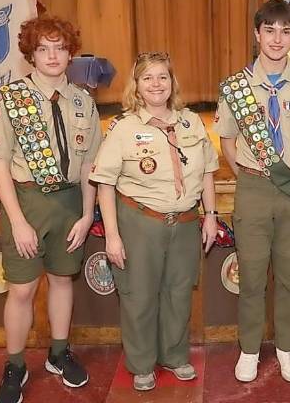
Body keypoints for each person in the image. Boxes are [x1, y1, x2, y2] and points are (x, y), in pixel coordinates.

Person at [0, 16, 102, 403]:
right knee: (21, 288)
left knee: (63, 279)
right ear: (30, 55)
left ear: (70, 53)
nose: (52, 55)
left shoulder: (84, 101)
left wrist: (86, 215)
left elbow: (88, 167)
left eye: (60, 47)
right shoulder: (9, 99)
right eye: (43, 48)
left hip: (70, 203)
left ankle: (58, 352)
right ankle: (15, 364)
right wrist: (17, 222)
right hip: (27, 202)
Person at [89, 51, 219, 391]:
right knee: (140, 295)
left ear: (172, 82)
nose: (156, 84)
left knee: (178, 293)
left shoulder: (191, 122)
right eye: (147, 78)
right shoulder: (123, 128)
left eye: (162, 76)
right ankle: (142, 362)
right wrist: (112, 237)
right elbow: (104, 183)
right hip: (141, 222)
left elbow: (207, 171)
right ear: (137, 85)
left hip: (187, 221)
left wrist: (210, 216)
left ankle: (175, 356)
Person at [214, 0, 290, 383]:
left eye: (286, 30)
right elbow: (227, 140)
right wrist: (249, 172)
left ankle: (287, 348)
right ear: (257, 33)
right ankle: (248, 349)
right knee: (252, 273)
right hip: (254, 188)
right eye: (270, 30)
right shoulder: (235, 86)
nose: (278, 38)